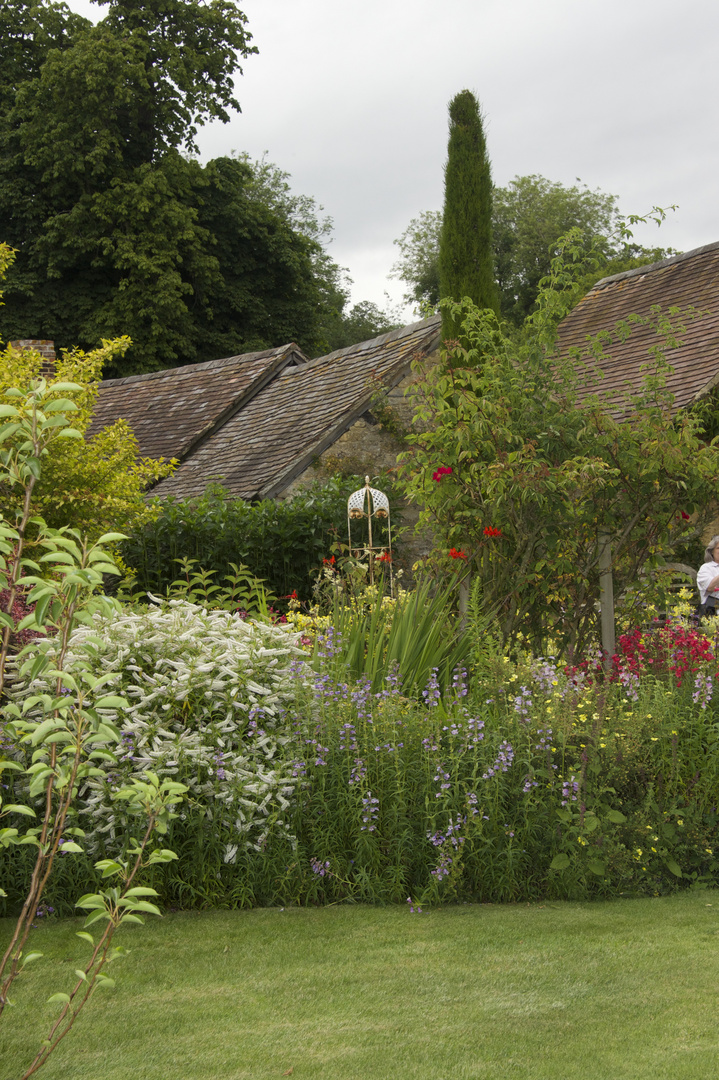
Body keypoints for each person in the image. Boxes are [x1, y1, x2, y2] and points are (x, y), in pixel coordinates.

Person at [696, 536, 719, 613]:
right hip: (712, 610)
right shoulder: (706, 568)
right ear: (712, 551)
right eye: (718, 548)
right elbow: (710, 587)